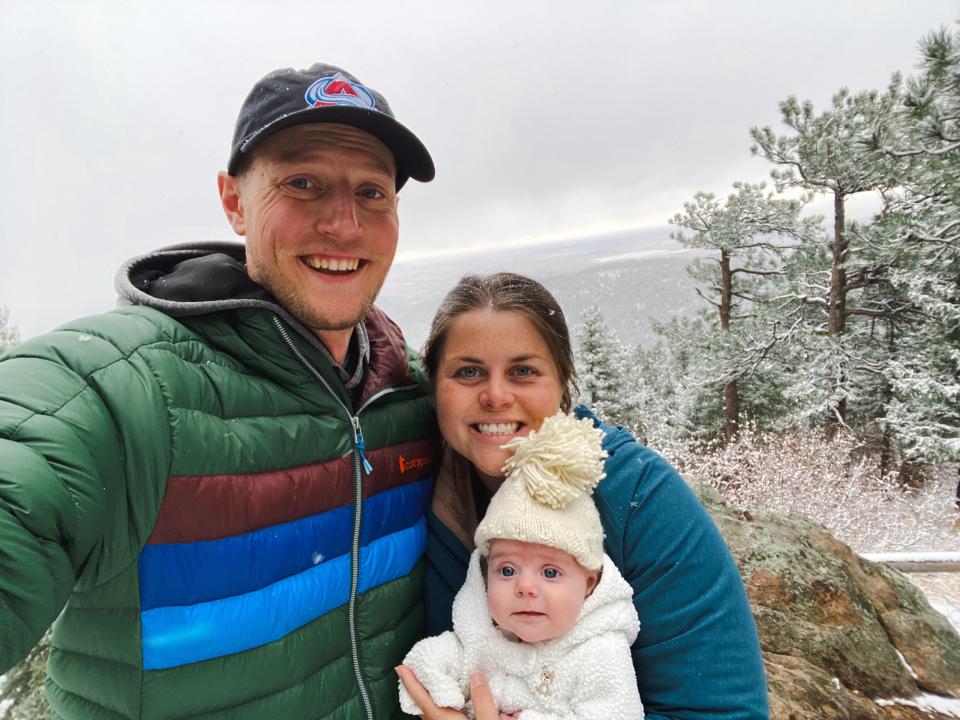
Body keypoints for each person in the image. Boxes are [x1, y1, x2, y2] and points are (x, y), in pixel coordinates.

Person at [0, 63, 440, 719]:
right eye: (303, 183)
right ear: (234, 201)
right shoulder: (126, 393)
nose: (345, 225)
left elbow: (568, 464)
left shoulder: (411, 392)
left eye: (372, 192)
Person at [396, 273, 770, 720]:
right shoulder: (429, 493)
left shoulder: (637, 497)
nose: (495, 395)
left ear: (562, 384)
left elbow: (723, 711)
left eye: (523, 371)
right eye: (468, 372)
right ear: (435, 388)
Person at [399, 412, 644, 719]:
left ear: (590, 583)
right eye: (507, 570)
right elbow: (447, 657)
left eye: (550, 572)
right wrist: (431, 673)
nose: (525, 587)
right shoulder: (483, 636)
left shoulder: (600, 654)